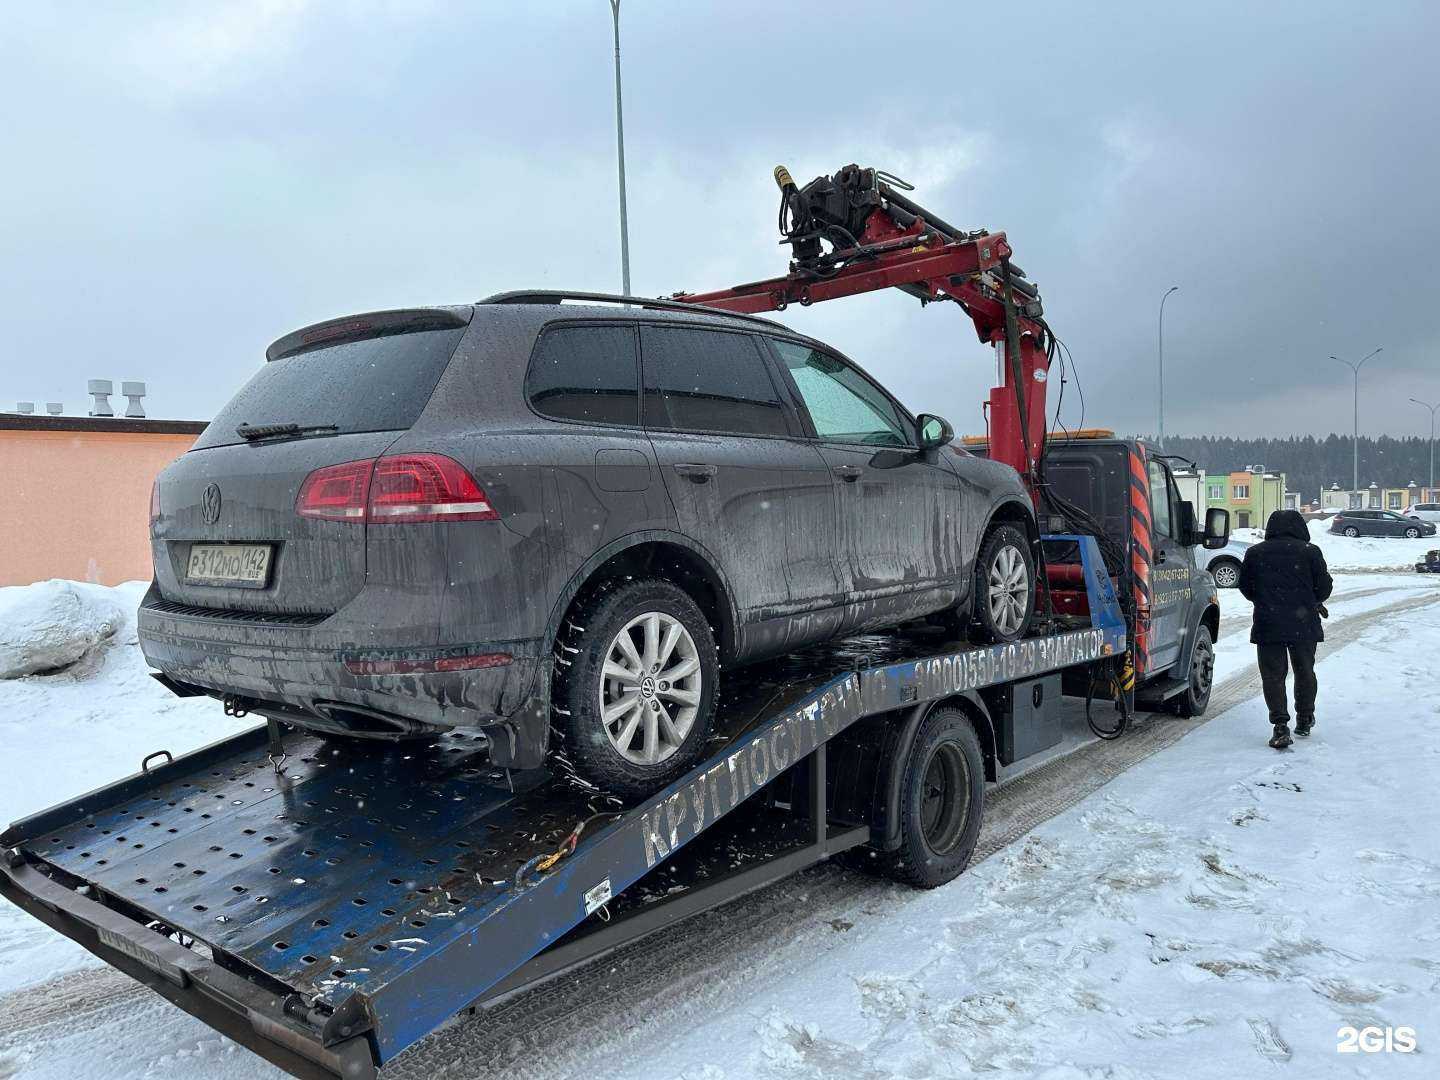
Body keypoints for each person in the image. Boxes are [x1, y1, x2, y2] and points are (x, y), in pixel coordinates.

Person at [1237, 509, 1333, 749]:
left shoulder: (1255, 553)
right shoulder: (1310, 552)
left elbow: (1246, 587)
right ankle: (1305, 718)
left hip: (1269, 623)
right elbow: (1324, 589)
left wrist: (1265, 600)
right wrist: (1308, 600)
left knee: (1273, 675)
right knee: (1305, 671)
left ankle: (1280, 724)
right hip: (1304, 623)